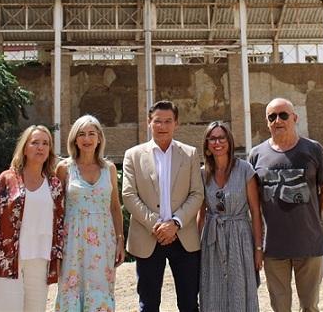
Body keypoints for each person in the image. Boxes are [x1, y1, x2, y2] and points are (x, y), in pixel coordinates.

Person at [248, 98, 323, 312]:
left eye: (283, 115)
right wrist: (258, 245)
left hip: (309, 244)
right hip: (273, 248)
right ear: (267, 123)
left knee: (310, 307)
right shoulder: (256, 154)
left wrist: (315, 214)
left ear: (294, 118)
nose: (278, 120)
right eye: (272, 117)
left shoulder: (313, 149)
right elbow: (254, 203)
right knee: (279, 307)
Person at [122, 100, 204, 312]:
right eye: (157, 121)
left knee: (188, 304)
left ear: (176, 123)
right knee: (148, 305)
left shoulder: (190, 154)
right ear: (149, 123)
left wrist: (175, 223)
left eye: (168, 121)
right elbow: (129, 195)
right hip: (149, 237)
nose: (162, 126)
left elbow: (197, 193)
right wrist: (158, 225)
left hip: (183, 238)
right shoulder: (133, 155)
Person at [0, 125, 65, 312]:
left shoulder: (55, 184)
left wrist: (59, 255)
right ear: (25, 148)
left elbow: (60, 223)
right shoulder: (6, 179)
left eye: (45, 143)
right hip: (6, 258)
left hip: (40, 259)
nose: (40, 147)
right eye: (35, 143)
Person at [55, 115, 125, 312]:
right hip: (72, 241)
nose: (87, 139)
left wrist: (120, 240)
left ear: (99, 138)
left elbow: (114, 207)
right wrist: (55, 247)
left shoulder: (109, 168)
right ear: (75, 139)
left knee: (100, 291)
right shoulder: (64, 168)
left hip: (103, 241)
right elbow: (56, 210)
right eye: (82, 134)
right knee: (70, 290)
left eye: (91, 134)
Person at [197, 121, 262, 312]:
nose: (217, 142)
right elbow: (201, 214)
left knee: (240, 289)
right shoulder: (202, 174)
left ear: (229, 141)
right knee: (212, 290)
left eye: (221, 137)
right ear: (207, 145)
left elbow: (256, 211)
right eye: (213, 138)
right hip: (212, 240)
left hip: (240, 237)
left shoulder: (245, 170)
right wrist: (196, 248)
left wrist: (258, 248)